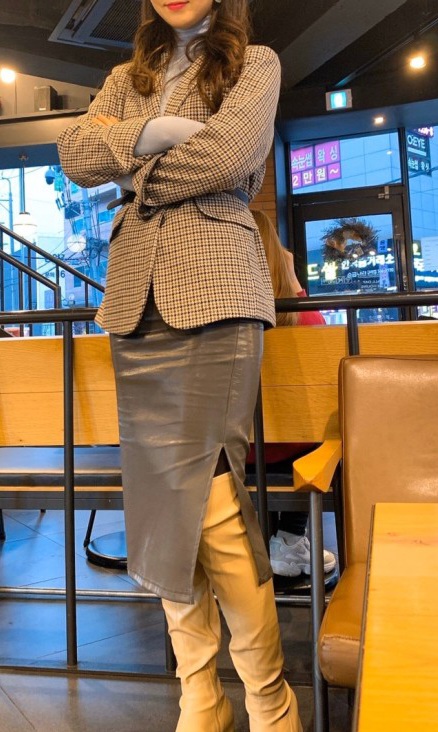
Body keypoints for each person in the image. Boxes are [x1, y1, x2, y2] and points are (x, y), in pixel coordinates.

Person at [58, 2, 302, 731]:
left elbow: (229, 158)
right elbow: (75, 156)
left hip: (219, 293)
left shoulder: (255, 64)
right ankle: (200, 696)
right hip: (137, 303)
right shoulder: (125, 76)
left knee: (216, 502)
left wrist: (133, 168)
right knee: (163, 505)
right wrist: (158, 133)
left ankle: (268, 698)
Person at [250, 210, 336, 579]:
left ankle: (249, 542)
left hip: (234, 451)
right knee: (321, 432)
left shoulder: (219, 322)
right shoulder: (304, 317)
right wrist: (292, 280)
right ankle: (289, 538)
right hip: (294, 451)